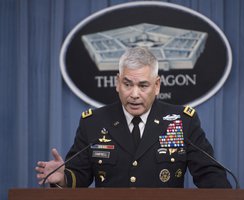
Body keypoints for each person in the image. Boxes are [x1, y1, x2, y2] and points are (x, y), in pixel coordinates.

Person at [36, 46, 231, 188]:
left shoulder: (182, 121)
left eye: (143, 86)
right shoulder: (94, 122)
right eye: (128, 84)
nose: (134, 94)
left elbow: (210, 175)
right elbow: (78, 175)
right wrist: (62, 177)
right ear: (117, 83)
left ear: (157, 86)